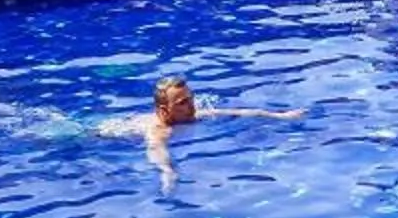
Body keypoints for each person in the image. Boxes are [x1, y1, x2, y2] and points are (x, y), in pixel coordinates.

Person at [104, 77, 304, 195]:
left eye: (191, 99)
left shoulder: (192, 115)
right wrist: (167, 172)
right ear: (164, 110)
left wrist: (281, 116)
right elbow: (156, 150)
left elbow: (239, 112)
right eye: (182, 103)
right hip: (103, 136)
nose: (191, 105)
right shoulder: (160, 129)